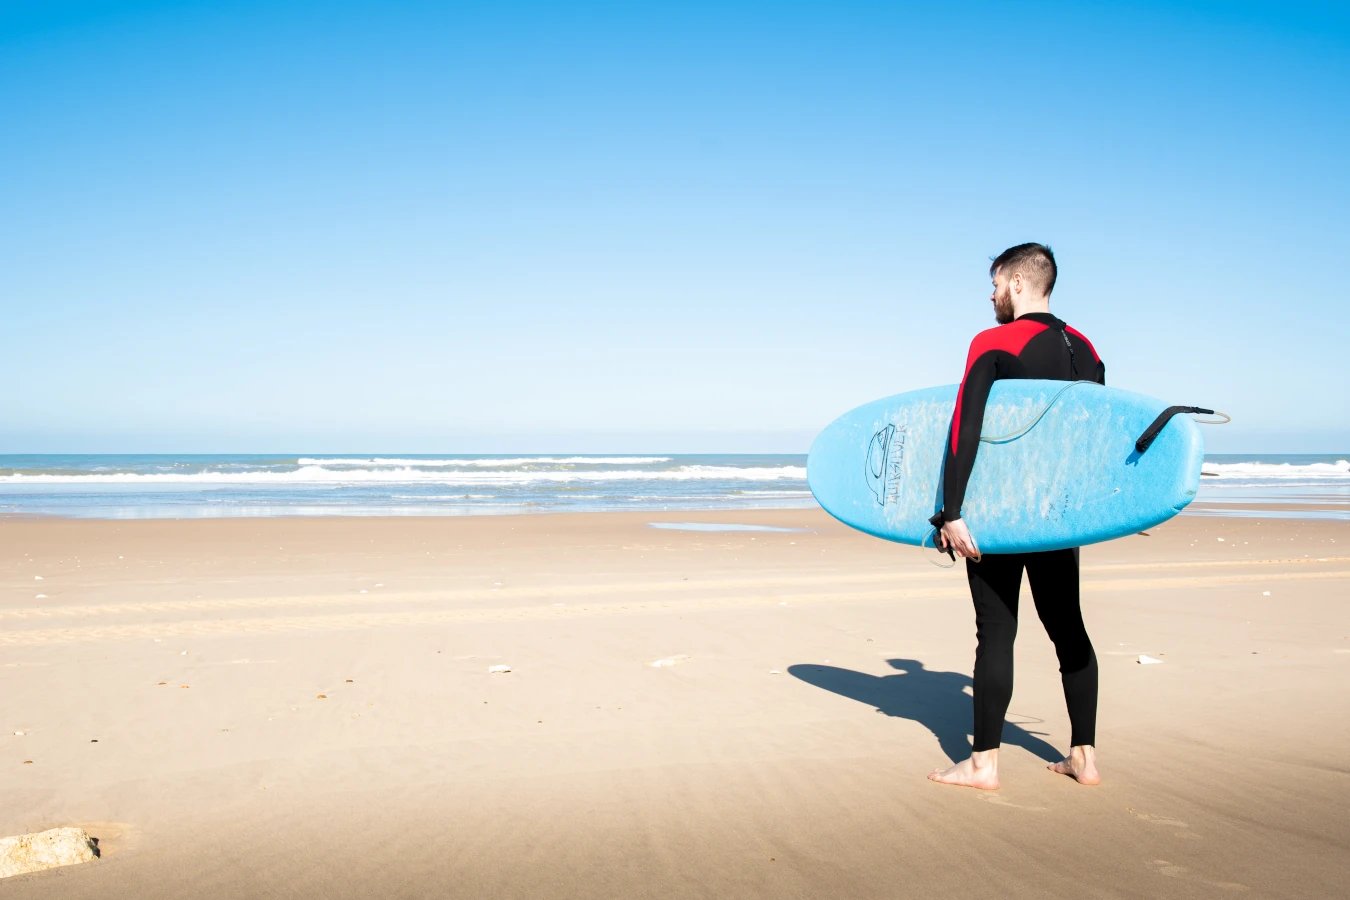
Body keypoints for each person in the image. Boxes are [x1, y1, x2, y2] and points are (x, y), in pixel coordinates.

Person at [927, 243, 1106, 791]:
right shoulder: (1087, 350)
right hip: (1057, 518)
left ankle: (982, 764)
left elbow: (966, 427)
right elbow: (1090, 443)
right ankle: (1084, 758)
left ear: (1020, 284)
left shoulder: (994, 341)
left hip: (998, 517)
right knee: (1068, 628)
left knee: (997, 632)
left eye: (996, 282)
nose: (991, 293)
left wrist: (950, 512)